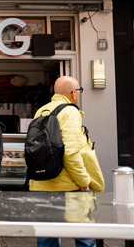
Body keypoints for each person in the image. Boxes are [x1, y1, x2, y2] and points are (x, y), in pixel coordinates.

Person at [30, 76, 104, 247]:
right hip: (68, 186)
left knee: (47, 238)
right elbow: (71, 153)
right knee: (84, 237)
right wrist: (84, 182)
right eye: (79, 90)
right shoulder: (70, 111)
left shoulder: (41, 110)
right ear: (73, 93)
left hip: (42, 183)